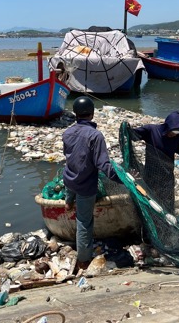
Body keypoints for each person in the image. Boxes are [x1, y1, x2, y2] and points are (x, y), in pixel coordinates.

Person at [62, 96, 122, 271]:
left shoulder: (67, 133)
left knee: (71, 189)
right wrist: (121, 179)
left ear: (75, 114)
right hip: (86, 185)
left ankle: (67, 202)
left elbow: (70, 157)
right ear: (92, 113)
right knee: (84, 222)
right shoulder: (95, 136)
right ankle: (83, 259)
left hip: (69, 179)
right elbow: (103, 164)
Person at [132, 111, 179, 213]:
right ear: (167, 126)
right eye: (173, 131)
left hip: (167, 177)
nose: (173, 135)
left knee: (167, 204)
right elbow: (133, 135)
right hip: (150, 174)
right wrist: (126, 129)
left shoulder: (176, 140)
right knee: (150, 199)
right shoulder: (151, 130)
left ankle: (167, 219)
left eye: (177, 133)